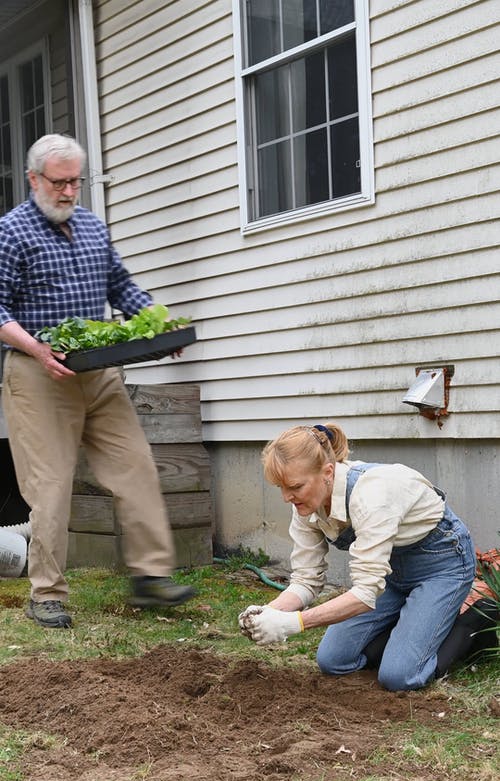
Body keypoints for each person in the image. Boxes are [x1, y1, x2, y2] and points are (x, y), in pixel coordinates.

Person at [0, 133, 197, 629]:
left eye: (75, 182)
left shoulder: (91, 226)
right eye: (59, 182)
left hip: (100, 370)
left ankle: (151, 577)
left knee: (136, 467)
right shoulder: (12, 232)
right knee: (51, 486)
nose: (68, 192)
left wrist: (157, 324)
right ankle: (46, 593)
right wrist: (37, 349)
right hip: (39, 374)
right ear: (34, 180)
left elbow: (121, 287)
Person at [239, 422, 497, 691]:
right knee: (333, 660)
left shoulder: (372, 495)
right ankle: (410, 627)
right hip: (391, 574)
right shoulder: (307, 504)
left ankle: (472, 621)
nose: (285, 497)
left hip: (442, 565)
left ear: (327, 472)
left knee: (399, 676)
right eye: (280, 487)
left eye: (293, 486)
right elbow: (306, 580)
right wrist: (268, 612)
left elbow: (364, 594)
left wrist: (295, 623)